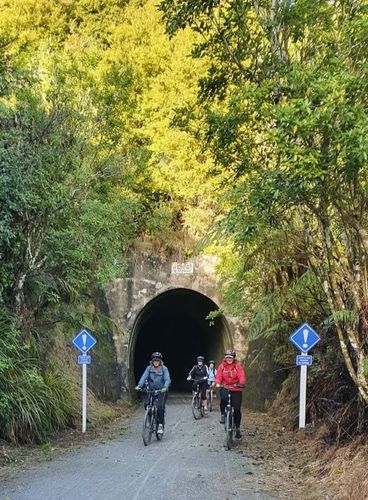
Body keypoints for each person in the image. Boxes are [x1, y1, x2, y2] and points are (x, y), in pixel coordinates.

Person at [135, 352, 171, 435]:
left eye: (157, 361)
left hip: (161, 390)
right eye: (154, 361)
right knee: (146, 404)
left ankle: (161, 425)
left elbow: (167, 379)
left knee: (159, 407)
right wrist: (140, 385)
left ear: (160, 361)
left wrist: (165, 387)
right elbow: (144, 377)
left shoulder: (164, 369)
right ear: (152, 361)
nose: (156, 362)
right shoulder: (149, 368)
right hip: (151, 389)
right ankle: (149, 419)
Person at [215, 350, 246, 439]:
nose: (229, 359)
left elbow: (241, 376)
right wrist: (217, 382)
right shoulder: (222, 367)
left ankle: (237, 428)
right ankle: (222, 415)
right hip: (225, 387)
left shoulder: (238, 367)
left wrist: (241, 383)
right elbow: (218, 376)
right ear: (225, 358)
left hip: (236, 388)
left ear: (233, 358)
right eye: (227, 357)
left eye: (231, 358)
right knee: (224, 399)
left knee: (237, 409)